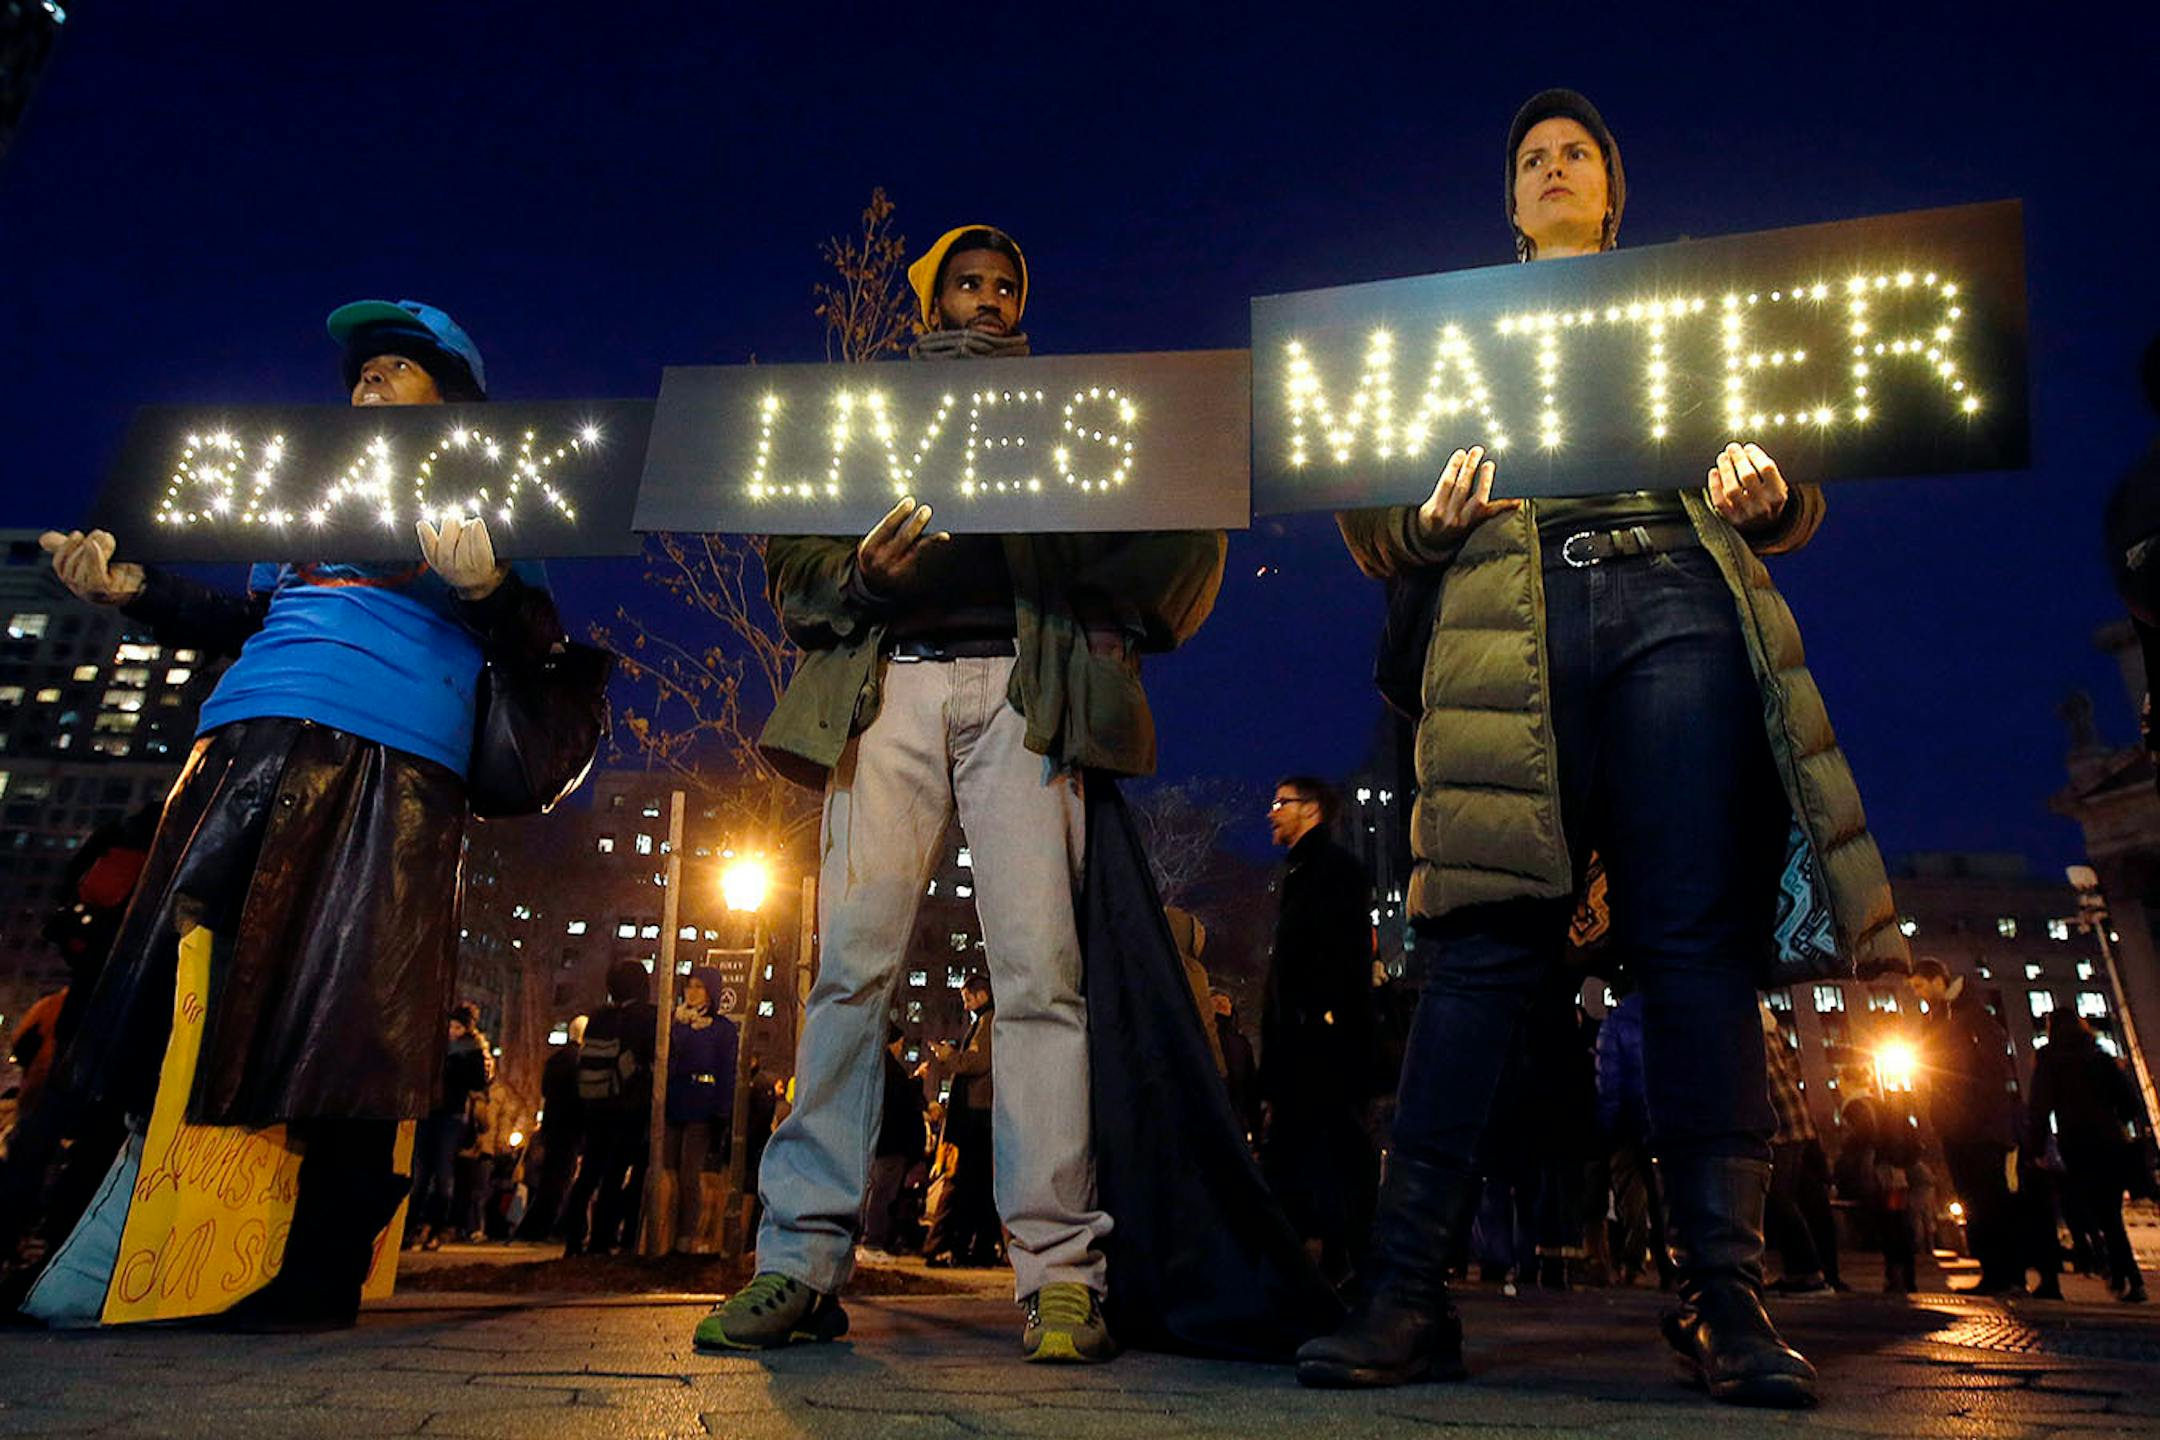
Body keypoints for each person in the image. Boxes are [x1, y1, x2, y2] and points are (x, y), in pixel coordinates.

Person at [1301, 90, 1905, 1408]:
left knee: (1695, 944)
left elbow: (1790, 472)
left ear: (1612, 189)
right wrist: (1419, 519)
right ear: (1508, 203)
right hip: (1511, 608)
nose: (1555, 166)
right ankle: (1405, 1294)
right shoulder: (1444, 330)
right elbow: (1365, 505)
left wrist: (1774, 492)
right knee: (1478, 940)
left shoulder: (1695, 312)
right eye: (1531, 158)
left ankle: (1723, 1299)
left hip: (1681, 593)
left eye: (1577, 152)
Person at [694, 223, 1224, 1364]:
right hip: (888, 688)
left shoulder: (1070, 415)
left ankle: (1060, 1276)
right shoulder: (863, 409)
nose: (987, 300)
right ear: (931, 300)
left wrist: (1112, 594)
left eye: (1007, 286)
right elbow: (794, 569)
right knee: (850, 972)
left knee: (1043, 978)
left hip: (1024, 695)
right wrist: (857, 573)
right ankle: (799, 1258)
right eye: (968, 283)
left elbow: (1178, 512)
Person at [31, 299, 566, 1329]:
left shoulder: (490, 492)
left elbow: (537, 639)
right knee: (164, 987)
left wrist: (491, 584)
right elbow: (246, 616)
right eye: (362, 369)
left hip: (391, 751)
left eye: (399, 366)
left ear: (452, 395)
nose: (369, 377)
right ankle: (99, 1239)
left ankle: (320, 1262)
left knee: (350, 1000)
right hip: (243, 736)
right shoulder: (300, 500)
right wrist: (134, 589)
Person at [1261, 776, 1380, 1287]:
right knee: (1320, 1153)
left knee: (1327, 1153)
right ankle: (1333, 1260)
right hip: (1309, 1042)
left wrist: (1322, 1017)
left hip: (1319, 1044)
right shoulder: (1306, 871)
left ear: (1311, 810)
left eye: (1281, 803)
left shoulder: (1331, 872)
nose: (1272, 813)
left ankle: (1341, 1261)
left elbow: (1340, 958)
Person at [1904, 958, 2023, 1295]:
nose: (1918, 994)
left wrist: (1973, 1111)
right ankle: (1995, 1273)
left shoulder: (1970, 1014)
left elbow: (1993, 1066)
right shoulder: (1941, 1018)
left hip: (1979, 1127)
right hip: (1958, 1126)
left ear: (1937, 980)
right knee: (1974, 1200)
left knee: (1990, 1198)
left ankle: (2007, 1274)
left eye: (1919, 986)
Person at [2029, 1011, 2146, 1302]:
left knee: (2095, 1213)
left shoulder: (2050, 1058)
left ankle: (2123, 1274)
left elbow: (2039, 1106)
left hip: (2077, 1143)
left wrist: (2036, 1147)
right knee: (2111, 1213)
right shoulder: (2098, 1055)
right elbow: (2131, 1102)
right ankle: (2125, 1276)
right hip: (2111, 1142)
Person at [564, 959, 658, 1256]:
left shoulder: (598, 1017)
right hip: (630, 1104)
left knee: (589, 1171)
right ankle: (604, 1238)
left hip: (595, 1103)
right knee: (618, 1173)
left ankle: (573, 1238)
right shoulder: (647, 1017)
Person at [921, 973, 1002, 1268]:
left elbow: (977, 1062)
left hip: (976, 1115)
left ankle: (945, 1245)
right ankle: (978, 1246)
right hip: (977, 1114)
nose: (965, 1004)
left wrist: (949, 1056)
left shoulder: (988, 1023)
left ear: (981, 995)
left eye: (968, 997)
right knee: (977, 1183)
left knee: (963, 1181)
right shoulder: (984, 1022)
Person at [1759, 1002, 1838, 1294]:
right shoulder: (1769, 1025)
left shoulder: (1745, 1023)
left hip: (1780, 1121)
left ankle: (1809, 1271)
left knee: (1778, 1198)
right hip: (1794, 1116)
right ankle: (1801, 1271)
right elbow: (1793, 1060)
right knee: (1784, 1197)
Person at [667, 968, 739, 1252]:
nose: (692, 992)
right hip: (674, 1100)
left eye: (699, 987)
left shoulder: (721, 1028)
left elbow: (726, 1071)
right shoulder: (675, 1023)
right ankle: (664, 1231)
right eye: (689, 986)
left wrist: (722, 1111)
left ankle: (687, 1235)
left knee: (689, 1172)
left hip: (701, 1105)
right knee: (667, 1170)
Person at [412, 1004, 493, 1250]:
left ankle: (435, 1226)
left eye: (458, 1027)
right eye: (451, 1026)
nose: (452, 1031)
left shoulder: (472, 1052)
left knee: (443, 1175)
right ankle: (414, 1226)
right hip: (430, 1113)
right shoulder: (436, 1047)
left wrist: (458, 1066)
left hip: (452, 1115)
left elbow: (479, 1082)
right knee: (420, 1174)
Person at [516, 1015, 588, 1241]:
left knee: (550, 1176)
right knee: (561, 1179)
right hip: (571, 1126)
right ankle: (546, 1227)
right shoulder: (580, 1062)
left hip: (553, 1124)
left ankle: (535, 1226)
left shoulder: (556, 1059)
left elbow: (546, 1091)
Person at [862, 1028, 928, 1254]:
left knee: (881, 1192)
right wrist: (917, 1081)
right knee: (883, 1193)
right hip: (891, 1143)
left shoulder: (880, 1068)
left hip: (884, 1142)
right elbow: (902, 1099)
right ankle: (874, 1241)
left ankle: (878, 1238)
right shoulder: (888, 1069)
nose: (901, 1048)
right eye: (899, 1043)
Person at [1211, 992, 1262, 1146]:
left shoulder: (1202, 1045)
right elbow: (1251, 1092)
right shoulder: (1241, 1045)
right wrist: (1257, 1134)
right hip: (1237, 1123)